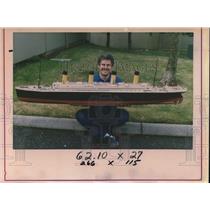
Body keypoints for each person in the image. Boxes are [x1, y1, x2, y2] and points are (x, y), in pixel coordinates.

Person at [75, 54, 129, 147]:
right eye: (103, 65)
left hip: (111, 113)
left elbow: (124, 96)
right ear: (99, 66)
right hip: (94, 113)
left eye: (108, 65)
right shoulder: (92, 79)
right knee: (79, 115)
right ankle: (107, 135)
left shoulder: (118, 80)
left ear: (111, 67)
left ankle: (97, 131)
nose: (105, 67)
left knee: (125, 115)